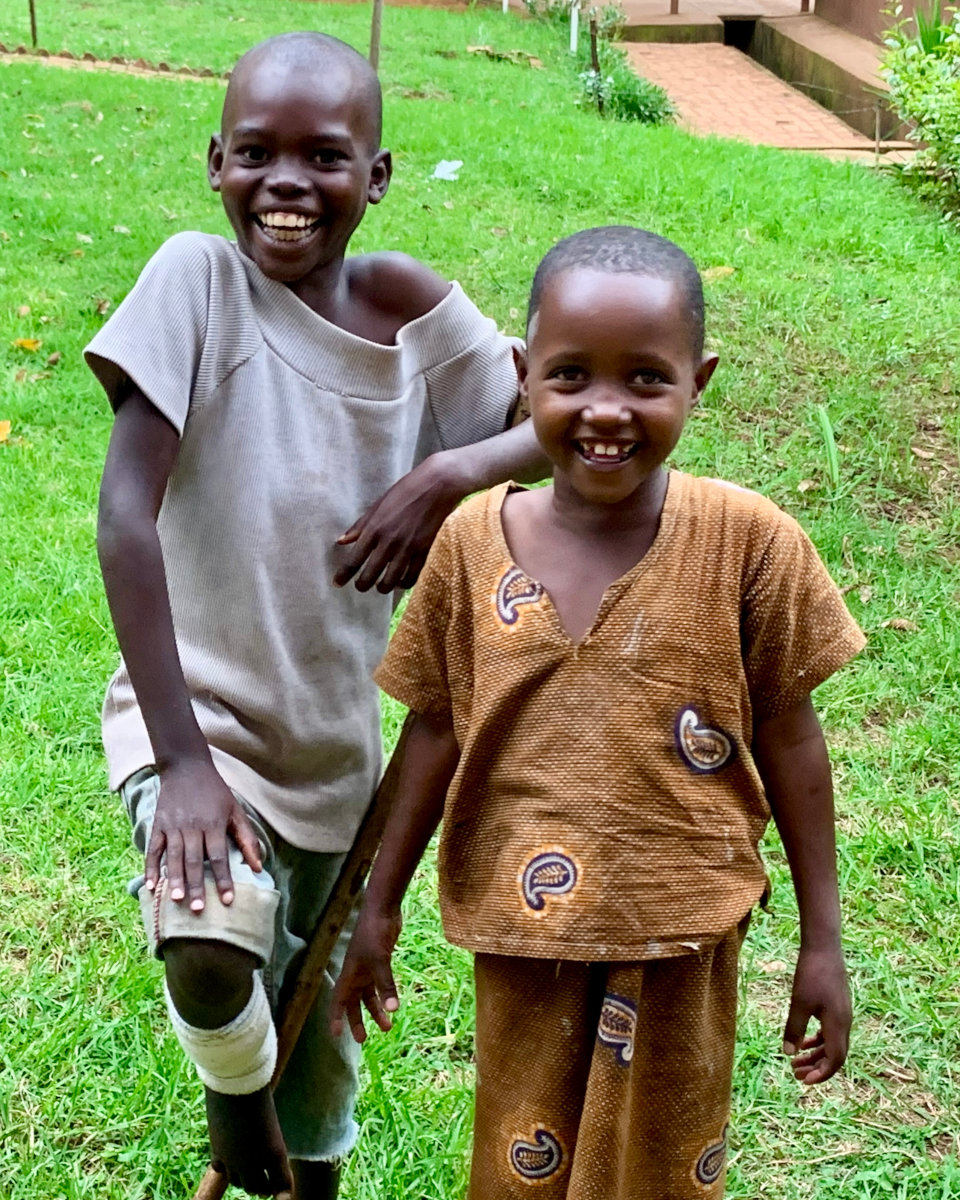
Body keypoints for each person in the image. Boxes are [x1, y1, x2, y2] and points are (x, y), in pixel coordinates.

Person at [88, 30, 547, 1200]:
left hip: (337, 757)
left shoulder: (412, 315)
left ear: (376, 176)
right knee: (206, 933)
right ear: (215, 162)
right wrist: (182, 765)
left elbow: (555, 422)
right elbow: (125, 520)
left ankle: (285, 1138)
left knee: (318, 1053)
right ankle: (233, 1110)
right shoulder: (197, 280)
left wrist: (447, 473)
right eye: (255, 153)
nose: (285, 183)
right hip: (193, 725)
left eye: (325, 157)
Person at [331, 226, 865, 1198]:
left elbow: (793, 741)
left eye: (646, 379)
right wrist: (377, 909)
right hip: (523, 939)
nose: (606, 410)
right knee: (518, 1172)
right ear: (522, 375)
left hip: (683, 936)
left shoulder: (749, 545)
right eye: (571, 376)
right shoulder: (470, 545)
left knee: (661, 1174)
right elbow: (433, 733)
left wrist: (821, 942)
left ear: (699, 381)